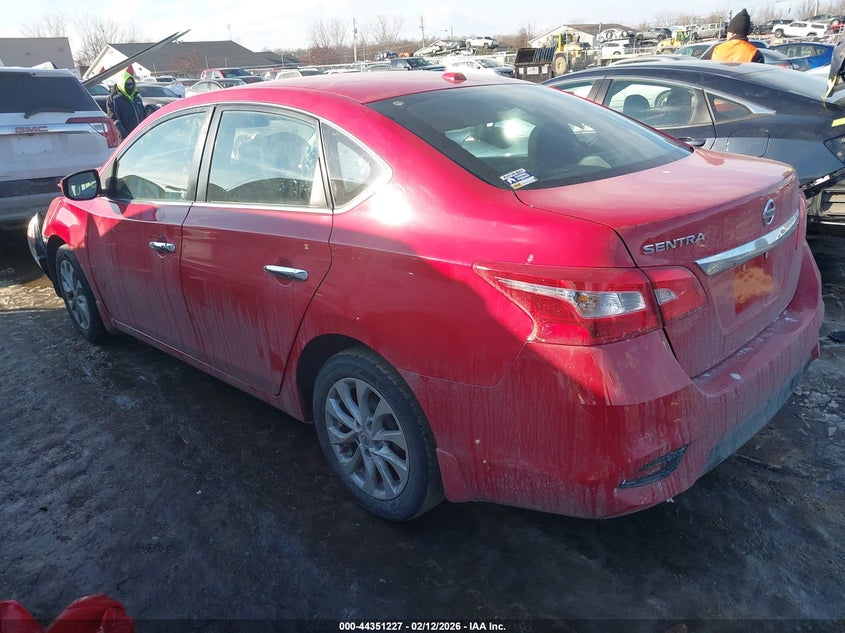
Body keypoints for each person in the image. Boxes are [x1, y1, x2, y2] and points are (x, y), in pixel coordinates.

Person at [106, 71, 145, 139]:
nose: (130, 86)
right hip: (126, 138)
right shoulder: (115, 99)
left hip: (140, 135)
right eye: (127, 84)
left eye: (131, 83)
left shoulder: (137, 98)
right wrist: (123, 135)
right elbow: (114, 119)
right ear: (122, 84)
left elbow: (143, 116)